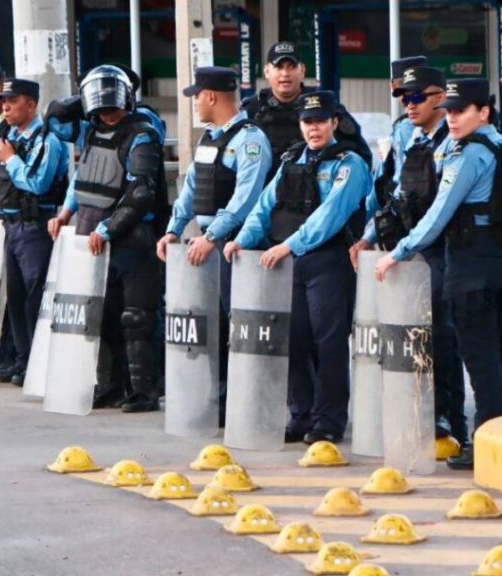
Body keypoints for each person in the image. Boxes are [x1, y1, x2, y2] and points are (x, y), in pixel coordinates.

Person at [374, 79, 502, 470]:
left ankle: (486, 443)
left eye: (461, 111)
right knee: (496, 357)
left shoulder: (469, 154)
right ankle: (501, 440)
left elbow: (439, 213)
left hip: (472, 267)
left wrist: (398, 252)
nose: (452, 118)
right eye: (450, 111)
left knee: (481, 362)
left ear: (483, 112)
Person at [224, 90, 371, 444]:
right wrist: (242, 239)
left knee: (329, 343)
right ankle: (301, 415)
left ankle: (329, 420)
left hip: (328, 262)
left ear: (335, 122)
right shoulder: (292, 159)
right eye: (307, 122)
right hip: (291, 263)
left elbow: (330, 216)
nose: (313, 128)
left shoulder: (349, 164)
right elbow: (265, 205)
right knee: (294, 340)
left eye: (320, 121)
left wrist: (287, 246)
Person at [351, 65, 467, 446]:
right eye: (404, 98)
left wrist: (401, 250)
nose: (409, 105)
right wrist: (368, 237)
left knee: (443, 338)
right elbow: (399, 196)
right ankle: (427, 414)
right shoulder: (416, 141)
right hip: (417, 252)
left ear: (440, 98)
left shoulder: (453, 143)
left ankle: (451, 420)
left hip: (445, 252)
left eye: (417, 97)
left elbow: (440, 211)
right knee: (418, 338)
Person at [155, 66, 273, 422]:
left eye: (197, 97)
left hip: (237, 246)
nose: (195, 104)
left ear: (210, 96)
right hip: (209, 244)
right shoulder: (209, 139)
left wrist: (211, 236)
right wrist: (174, 229)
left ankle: (247, 404)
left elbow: (245, 200)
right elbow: (192, 189)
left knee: (241, 327)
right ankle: (219, 399)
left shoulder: (250, 140)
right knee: (215, 326)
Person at [48, 65, 166, 413]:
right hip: (92, 234)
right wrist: (66, 212)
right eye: (102, 106)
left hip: (133, 237)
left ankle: (143, 391)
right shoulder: (90, 129)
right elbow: (53, 120)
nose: (108, 112)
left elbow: (141, 192)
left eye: (113, 105)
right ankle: (110, 385)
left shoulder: (142, 132)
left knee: (137, 317)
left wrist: (108, 229)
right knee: (101, 316)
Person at [0, 79, 68, 387]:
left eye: (12, 101)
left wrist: (11, 159)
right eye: (3, 101)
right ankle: (22, 361)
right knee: (17, 299)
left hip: (35, 226)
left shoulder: (47, 140)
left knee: (36, 299)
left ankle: (39, 363)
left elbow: (37, 183)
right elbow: (2, 180)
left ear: (31, 105)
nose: (5, 107)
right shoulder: (9, 137)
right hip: (10, 225)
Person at [241, 41, 372, 176]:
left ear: (302, 70)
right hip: (265, 187)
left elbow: (360, 154)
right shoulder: (252, 109)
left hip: (316, 186)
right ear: (267, 71)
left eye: (292, 67)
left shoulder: (324, 104)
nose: (285, 73)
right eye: (279, 67)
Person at [370, 55, 426, 206]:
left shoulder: (406, 127)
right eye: (400, 90)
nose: (404, 98)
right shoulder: (403, 125)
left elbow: (403, 179)